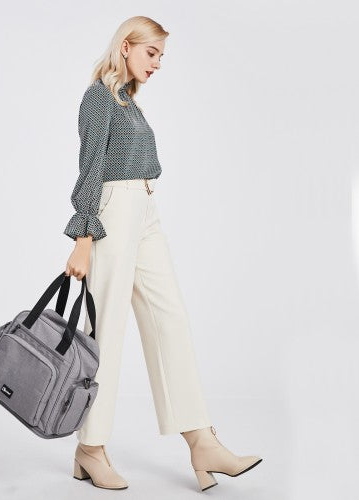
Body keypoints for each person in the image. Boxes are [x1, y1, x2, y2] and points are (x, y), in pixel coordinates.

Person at [63, 15, 262, 492]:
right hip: (112, 211)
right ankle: (91, 448)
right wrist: (84, 237)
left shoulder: (128, 101)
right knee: (107, 330)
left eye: (161, 57)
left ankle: (201, 441)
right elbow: (90, 166)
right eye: (151, 53)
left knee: (169, 317)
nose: (156, 64)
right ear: (126, 46)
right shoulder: (99, 97)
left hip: (144, 210)